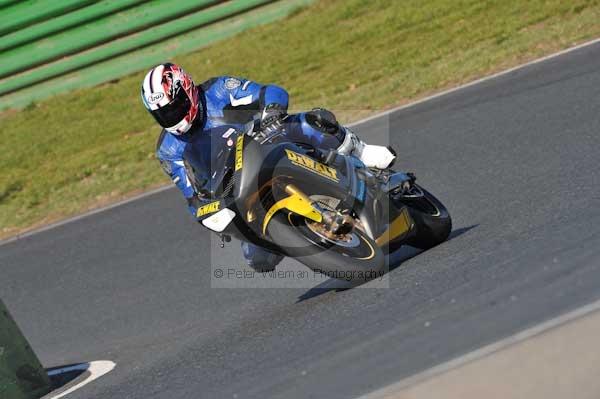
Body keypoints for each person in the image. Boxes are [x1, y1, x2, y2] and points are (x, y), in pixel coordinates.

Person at [141, 63, 396, 272]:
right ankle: (317, 244)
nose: (173, 117)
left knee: (311, 122)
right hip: (236, 187)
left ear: (187, 90)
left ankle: (361, 153)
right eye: (164, 114)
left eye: (175, 108)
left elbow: (270, 93)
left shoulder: (217, 90)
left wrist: (271, 112)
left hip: (266, 142)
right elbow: (191, 195)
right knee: (257, 259)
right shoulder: (167, 149)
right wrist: (205, 212)